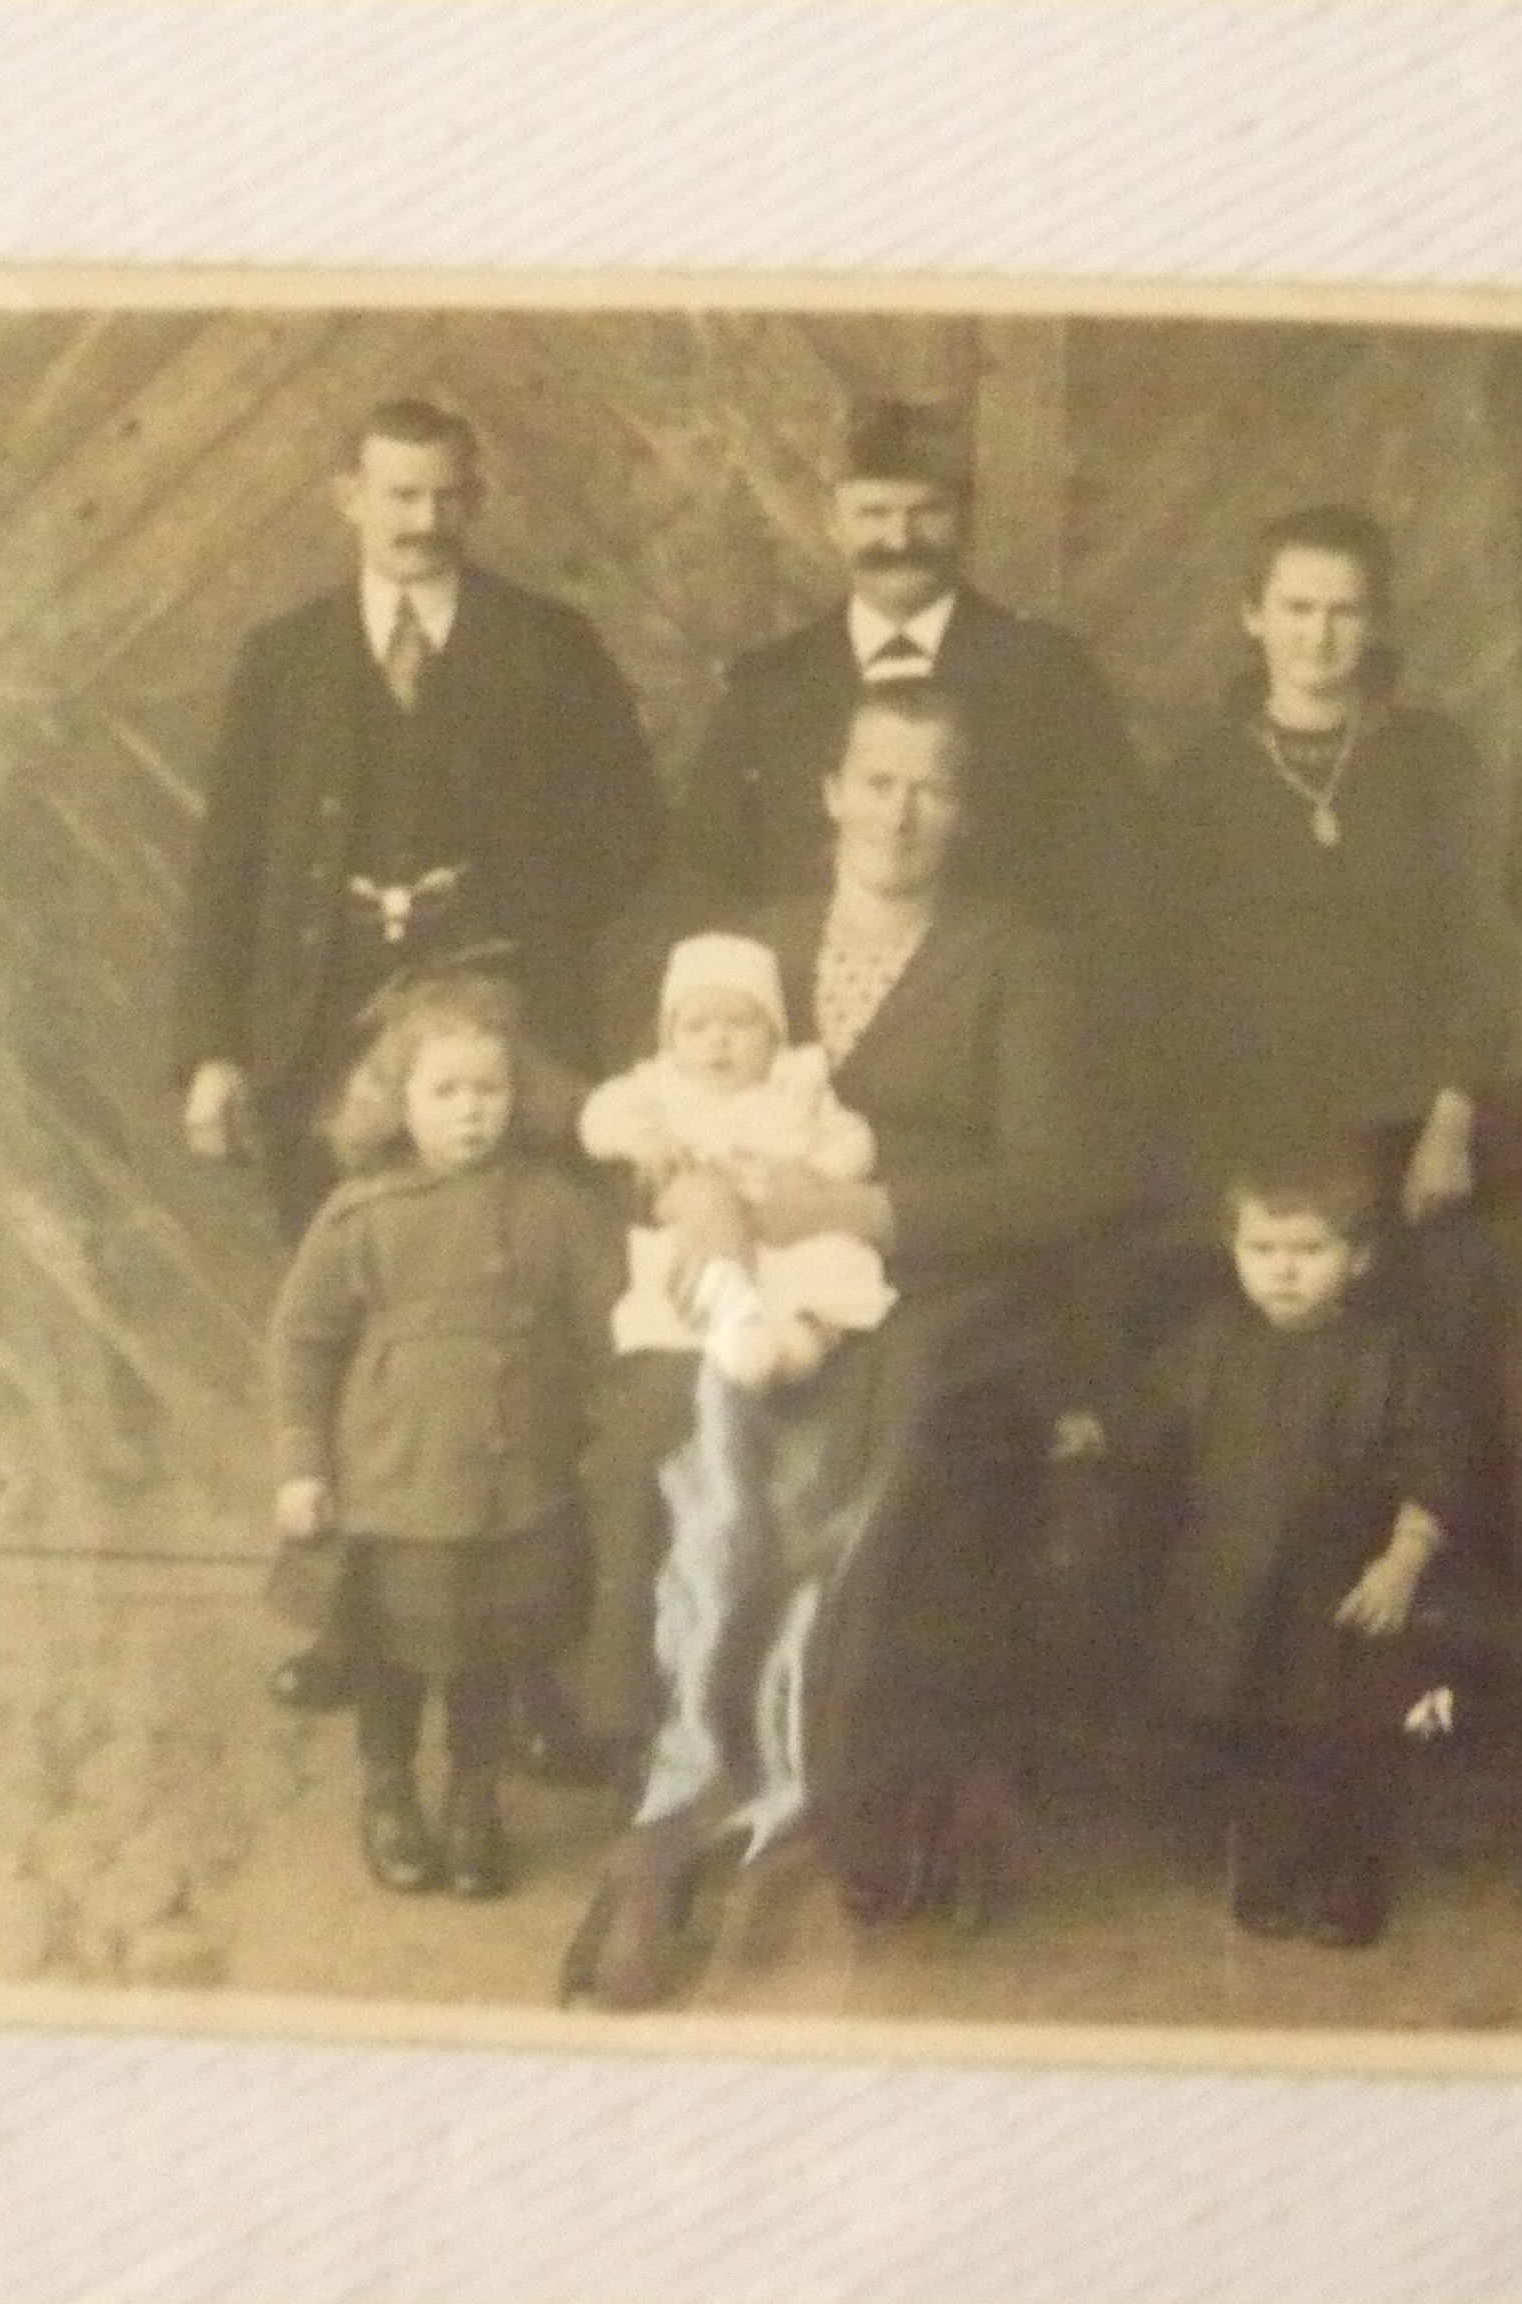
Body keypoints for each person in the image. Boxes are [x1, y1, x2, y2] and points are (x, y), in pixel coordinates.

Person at [564, 682, 1119, 2009]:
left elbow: (1054, 1182)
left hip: (938, 1286)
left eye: (931, 787)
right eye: (878, 781)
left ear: (964, 810)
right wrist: (693, 1190)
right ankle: (665, 1805)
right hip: (752, 1274)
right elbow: (665, 1109)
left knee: (882, 1443)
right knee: (660, 1431)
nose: (900, 812)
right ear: (830, 794)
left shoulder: (1014, 956)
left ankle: (820, 1801)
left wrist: (857, 1211)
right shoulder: (753, 943)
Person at [175, 395, 660, 1753]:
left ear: (477, 496)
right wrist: (213, 1050)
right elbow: (226, 866)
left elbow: (631, 828)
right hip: (320, 1043)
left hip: (502, 1039)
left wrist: (507, 917)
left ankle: (536, 1652)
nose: (423, 519)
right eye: (397, 494)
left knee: (519, 1339)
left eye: (447, 494)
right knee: (359, 1341)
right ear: (347, 496)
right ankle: (353, 1625)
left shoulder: (549, 647)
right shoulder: (285, 658)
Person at [1155, 503, 1522, 1577]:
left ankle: (1441, 1625)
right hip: (1261, 1132)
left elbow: (1481, 948)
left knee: (1433, 1374)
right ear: (1252, 616)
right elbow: (1176, 979)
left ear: (1375, 623)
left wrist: (1451, 1120)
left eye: (1343, 611)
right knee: (1272, 1390)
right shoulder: (1201, 779)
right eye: (1295, 608)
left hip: (1409, 1128)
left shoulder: (1434, 763)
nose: (1318, 636)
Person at [669, 397, 1162, 1148]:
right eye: (872, 513)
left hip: (987, 1078)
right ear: (832, 521)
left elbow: (1112, 883)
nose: (898, 538)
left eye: (926, 512)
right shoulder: (770, 686)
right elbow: (709, 876)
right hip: (789, 1074)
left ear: (965, 520)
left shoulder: (1046, 677)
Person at [265, 972, 623, 1901]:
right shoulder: (361, 1213)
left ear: (518, 1096)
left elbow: (610, 1327)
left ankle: (474, 1796)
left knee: (488, 1652)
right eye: (445, 1091)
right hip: (396, 1476)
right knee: (390, 1648)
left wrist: (604, 1434)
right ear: (398, 1103)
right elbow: (303, 1345)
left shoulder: (555, 1206)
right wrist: (302, 1465)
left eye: (489, 1089)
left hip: (516, 1478)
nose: (470, 1111)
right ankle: (387, 1792)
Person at [1061, 1156, 1465, 1948]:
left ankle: (1349, 1878)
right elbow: (1146, 1425)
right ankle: (1270, 1866)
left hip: (1339, 1590)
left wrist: (1401, 1564)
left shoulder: (1387, 1359)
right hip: (1234, 1583)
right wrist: (1089, 1433)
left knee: (1345, 1738)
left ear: (1358, 1259)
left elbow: (1438, 1465)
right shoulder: (1211, 1344)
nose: (1284, 1271)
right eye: (1262, 1249)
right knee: (1257, 1734)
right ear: (1235, 1252)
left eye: (1309, 1251)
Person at [579, 931, 896, 1391]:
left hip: (785, 1221)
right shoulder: (661, 1086)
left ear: (773, 1036)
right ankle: (736, 1328)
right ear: (670, 1039)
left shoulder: (795, 1085)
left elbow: (854, 1138)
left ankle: (802, 1341)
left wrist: (818, 1174)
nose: (719, 1041)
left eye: (740, 1024)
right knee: (696, 1268)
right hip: (706, 1225)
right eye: (697, 1027)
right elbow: (596, 1119)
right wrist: (644, 1144)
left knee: (831, 1262)